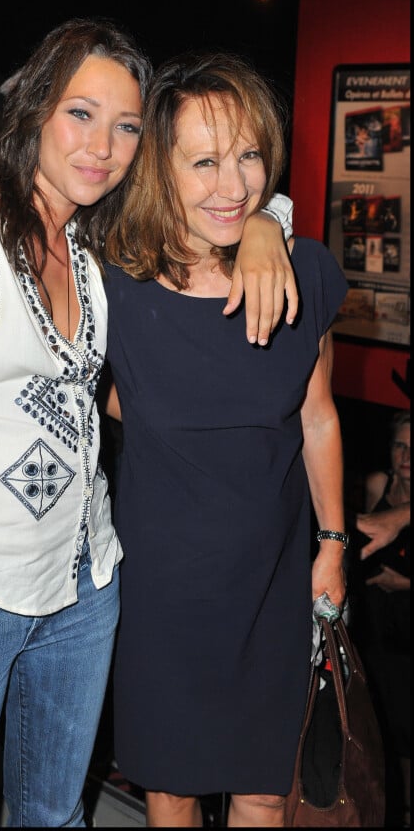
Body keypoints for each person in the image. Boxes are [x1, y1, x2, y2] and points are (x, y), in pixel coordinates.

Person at [0, 18, 297, 827]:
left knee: (55, 818)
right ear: (33, 108)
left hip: (82, 590)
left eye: (127, 126)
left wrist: (270, 220)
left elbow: (219, 190)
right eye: (81, 113)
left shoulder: (95, 240)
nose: (104, 144)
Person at [101, 49, 349, 828]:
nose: (232, 184)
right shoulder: (118, 286)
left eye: (248, 157)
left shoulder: (305, 273)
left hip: (274, 585)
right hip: (159, 592)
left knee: (265, 791)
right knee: (171, 788)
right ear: (158, 168)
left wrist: (335, 544)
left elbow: (318, 416)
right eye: (203, 161)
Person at [351, 410, 410, 828]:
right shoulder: (377, 485)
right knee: (376, 730)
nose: (405, 455)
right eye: (399, 445)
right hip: (376, 627)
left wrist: (404, 584)